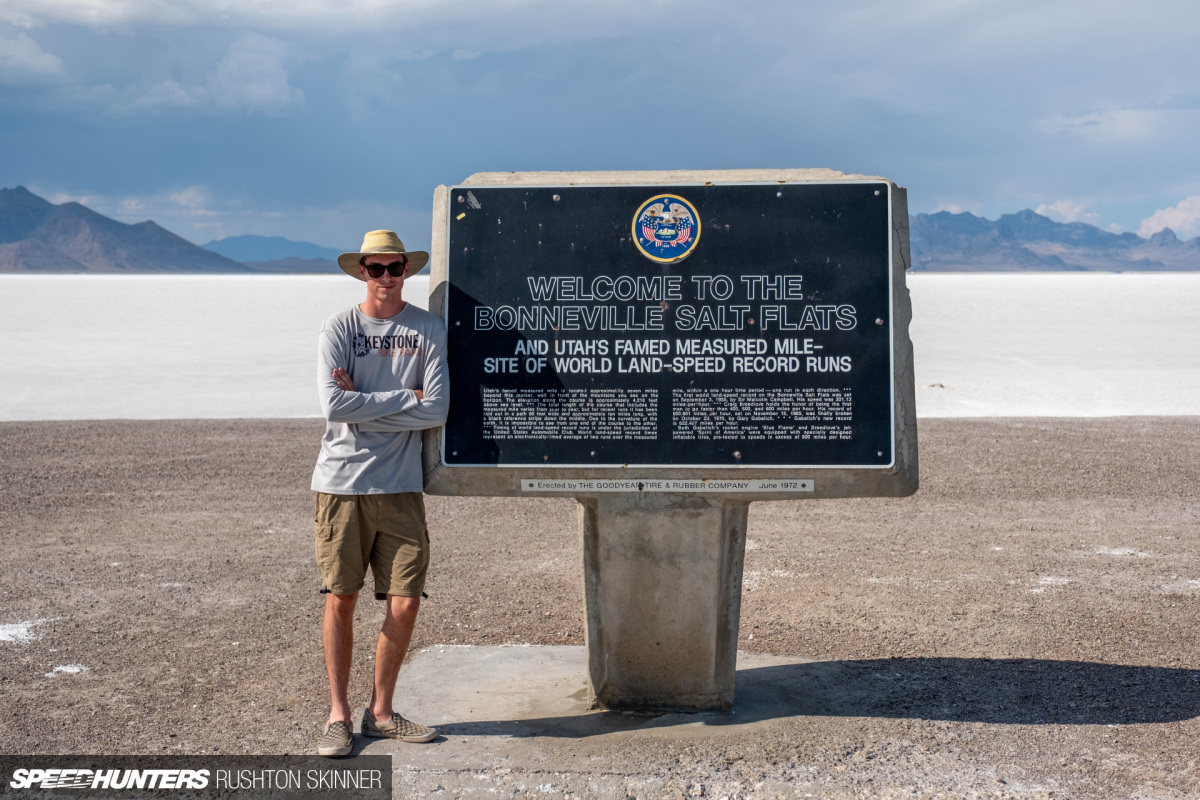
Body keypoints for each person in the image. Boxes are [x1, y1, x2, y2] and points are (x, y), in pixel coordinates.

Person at [311, 229, 448, 758]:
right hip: (341, 483)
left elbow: (435, 409)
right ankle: (338, 715)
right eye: (376, 269)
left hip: (400, 485)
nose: (386, 278)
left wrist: (365, 398)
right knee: (340, 597)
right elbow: (333, 407)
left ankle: (381, 712)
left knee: (406, 601)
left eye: (395, 268)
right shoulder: (339, 327)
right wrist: (403, 396)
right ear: (360, 273)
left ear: (407, 272)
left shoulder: (426, 328)